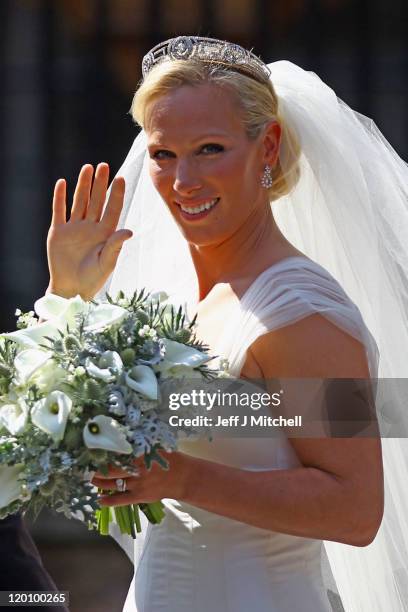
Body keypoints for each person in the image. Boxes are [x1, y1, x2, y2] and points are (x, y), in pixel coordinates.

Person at [45, 37, 408, 611]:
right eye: (163, 154)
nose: (182, 181)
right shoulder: (171, 298)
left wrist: (182, 479)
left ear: (267, 147)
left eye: (209, 149)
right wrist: (67, 294)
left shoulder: (306, 315)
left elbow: (356, 510)